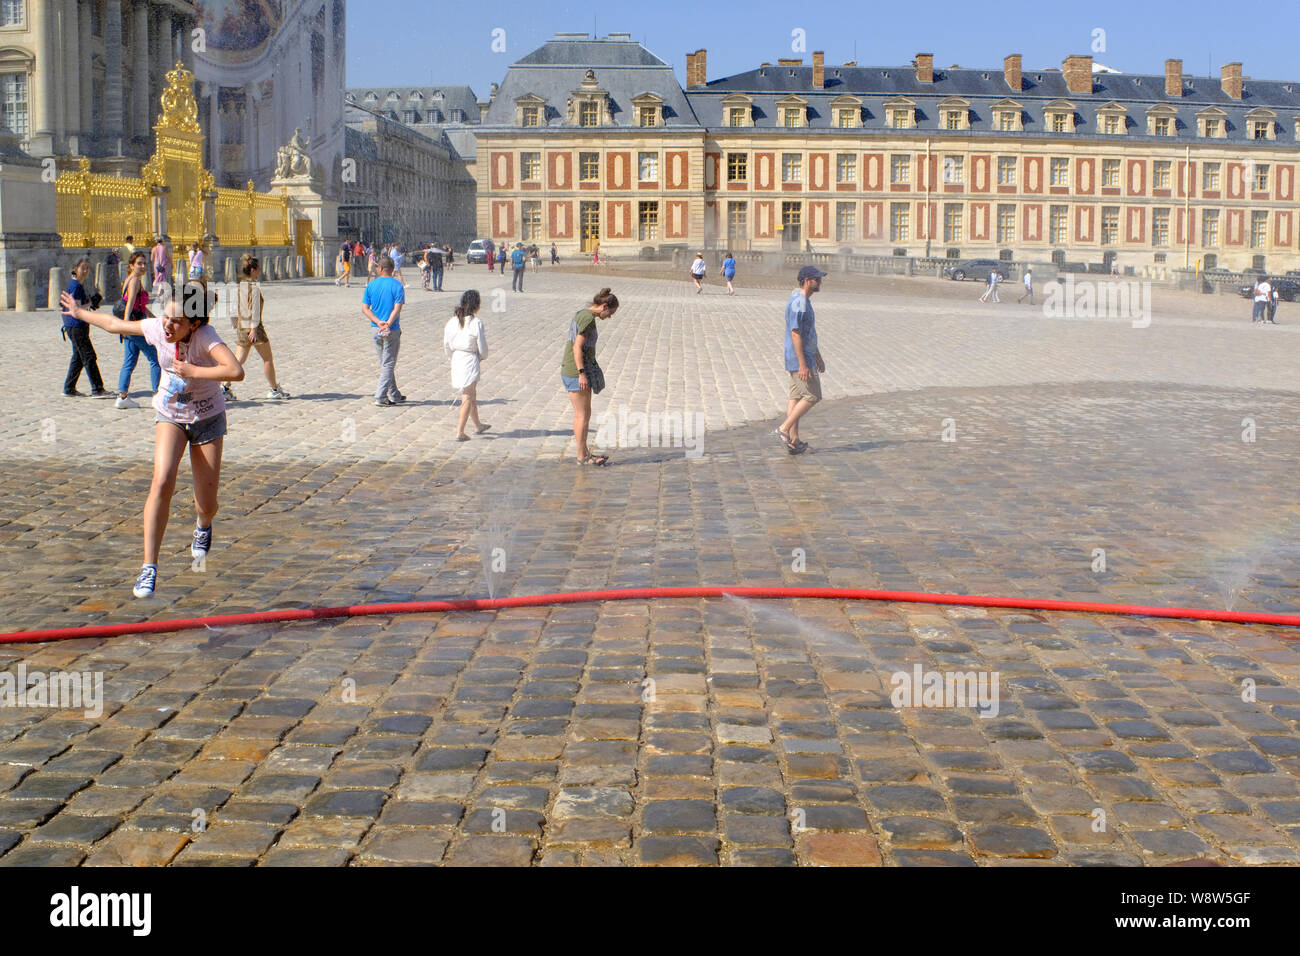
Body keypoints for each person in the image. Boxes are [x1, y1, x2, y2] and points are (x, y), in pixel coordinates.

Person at [61, 278, 245, 599]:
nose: (169, 325)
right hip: (170, 413)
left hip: (207, 417)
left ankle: (202, 525)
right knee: (161, 481)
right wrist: (79, 312)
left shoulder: (206, 337)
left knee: (207, 502)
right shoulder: (159, 328)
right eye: (166, 317)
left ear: (195, 324)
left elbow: (235, 371)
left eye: (177, 321)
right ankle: (149, 566)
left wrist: (194, 371)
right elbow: (115, 324)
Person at [562, 288, 620, 466]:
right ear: (604, 306)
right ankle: (581, 457)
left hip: (576, 370)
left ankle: (585, 452)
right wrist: (581, 373)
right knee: (581, 415)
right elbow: (576, 347)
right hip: (575, 371)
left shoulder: (583, 314)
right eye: (610, 312)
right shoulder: (587, 319)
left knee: (585, 414)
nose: (609, 317)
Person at [776, 266, 827, 456]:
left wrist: (818, 355)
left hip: (803, 355)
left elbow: (808, 334)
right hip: (800, 359)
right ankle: (784, 428)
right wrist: (804, 364)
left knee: (795, 397)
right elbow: (796, 334)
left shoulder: (804, 301)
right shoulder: (799, 302)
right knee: (813, 395)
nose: (820, 282)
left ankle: (794, 440)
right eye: (817, 279)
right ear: (807, 280)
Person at [229, 254, 289, 401]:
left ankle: (224, 388)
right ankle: (274, 389)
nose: (260, 271)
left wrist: (235, 322)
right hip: (254, 328)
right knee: (268, 359)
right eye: (258, 269)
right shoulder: (253, 288)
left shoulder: (240, 286)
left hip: (242, 327)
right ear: (252, 270)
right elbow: (254, 310)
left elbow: (233, 307)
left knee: (238, 360)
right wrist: (254, 329)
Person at [115, 251, 162, 409]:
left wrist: (155, 318)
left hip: (132, 325)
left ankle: (122, 397)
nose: (142, 266)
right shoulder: (134, 280)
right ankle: (157, 394)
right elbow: (130, 305)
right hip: (135, 326)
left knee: (129, 361)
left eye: (144, 263)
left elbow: (140, 306)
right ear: (131, 266)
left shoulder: (133, 279)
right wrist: (126, 325)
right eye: (139, 263)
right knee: (155, 358)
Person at [61, 257, 112, 398]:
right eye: (83, 267)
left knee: (78, 357)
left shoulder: (77, 285)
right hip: (76, 326)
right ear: (75, 269)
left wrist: (91, 303)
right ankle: (97, 389)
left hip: (74, 325)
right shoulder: (76, 286)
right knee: (89, 356)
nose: (85, 270)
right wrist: (90, 304)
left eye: (87, 268)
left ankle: (69, 388)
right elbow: (76, 309)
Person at [444, 290, 490, 441]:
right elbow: (482, 347)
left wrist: (452, 356)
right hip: (469, 358)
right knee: (468, 396)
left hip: (457, 357)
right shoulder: (476, 323)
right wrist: (482, 357)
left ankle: (478, 425)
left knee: (472, 394)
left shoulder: (452, 321)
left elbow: (447, 344)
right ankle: (460, 431)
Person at [363, 256, 406, 406]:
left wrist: (378, 322)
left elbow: (365, 309)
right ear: (393, 269)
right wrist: (388, 323)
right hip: (391, 329)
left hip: (376, 329)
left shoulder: (371, 285)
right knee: (388, 364)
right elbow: (397, 307)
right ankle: (381, 396)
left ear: (380, 269)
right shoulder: (397, 285)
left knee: (385, 363)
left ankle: (394, 394)